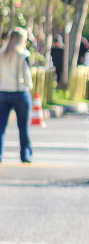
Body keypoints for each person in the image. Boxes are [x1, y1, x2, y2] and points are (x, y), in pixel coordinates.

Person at [0, 28, 34, 164]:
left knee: (1, 127)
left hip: (3, 93)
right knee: (23, 127)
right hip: (20, 93)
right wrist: (29, 85)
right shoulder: (23, 55)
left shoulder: (2, 54)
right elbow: (27, 76)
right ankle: (25, 155)